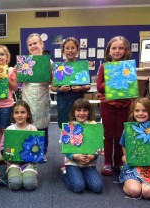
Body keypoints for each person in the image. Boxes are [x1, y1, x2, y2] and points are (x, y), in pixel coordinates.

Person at [119, 97, 150, 207]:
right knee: (134, 191)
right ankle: (126, 182)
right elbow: (124, 145)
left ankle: (144, 183)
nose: (140, 113)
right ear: (133, 112)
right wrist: (125, 155)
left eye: (144, 110)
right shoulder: (128, 129)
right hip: (133, 167)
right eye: (137, 110)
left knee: (147, 193)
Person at [97, 36, 132, 176]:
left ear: (125, 50)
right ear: (109, 51)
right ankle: (107, 162)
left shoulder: (128, 67)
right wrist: (115, 80)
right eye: (114, 48)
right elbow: (99, 87)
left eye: (120, 48)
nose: (117, 51)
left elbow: (131, 87)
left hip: (124, 105)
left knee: (120, 135)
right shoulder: (104, 67)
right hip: (108, 105)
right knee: (108, 135)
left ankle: (118, 161)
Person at [61, 98, 103, 194]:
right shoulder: (69, 125)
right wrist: (74, 156)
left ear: (89, 111)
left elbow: (99, 146)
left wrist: (93, 156)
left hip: (89, 163)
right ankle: (65, 173)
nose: (81, 113)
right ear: (74, 112)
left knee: (97, 188)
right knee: (78, 187)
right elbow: (65, 148)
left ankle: (82, 176)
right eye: (78, 110)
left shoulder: (94, 125)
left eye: (85, 110)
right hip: (72, 163)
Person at [51, 37, 91, 129]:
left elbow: (88, 86)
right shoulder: (59, 67)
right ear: (63, 51)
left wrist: (81, 88)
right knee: (65, 127)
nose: (70, 50)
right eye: (67, 48)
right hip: (64, 104)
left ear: (77, 50)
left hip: (79, 103)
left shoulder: (81, 67)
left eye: (73, 48)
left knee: (79, 127)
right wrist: (60, 89)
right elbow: (53, 87)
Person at [22, 33, 50, 159]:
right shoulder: (24, 63)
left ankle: (42, 152)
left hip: (42, 97)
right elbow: (18, 80)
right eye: (30, 44)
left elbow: (54, 81)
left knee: (42, 127)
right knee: (27, 125)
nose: (33, 46)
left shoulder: (48, 62)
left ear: (41, 44)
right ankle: (28, 150)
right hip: (27, 96)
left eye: (35, 43)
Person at [0, 101, 38, 191]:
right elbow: (3, 146)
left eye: (23, 112)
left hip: (29, 163)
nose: (19, 115)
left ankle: (27, 174)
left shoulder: (32, 129)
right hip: (13, 163)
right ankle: (14, 173)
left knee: (30, 185)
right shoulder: (9, 130)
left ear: (28, 114)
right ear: (13, 115)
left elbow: (37, 148)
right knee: (15, 184)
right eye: (16, 112)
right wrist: (6, 156)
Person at [0, 45, 18, 164]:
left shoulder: (11, 70)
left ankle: (7, 154)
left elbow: (15, 88)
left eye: (2, 54)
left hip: (7, 105)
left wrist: (6, 77)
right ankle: (0, 154)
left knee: (6, 130)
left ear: (7, 57)